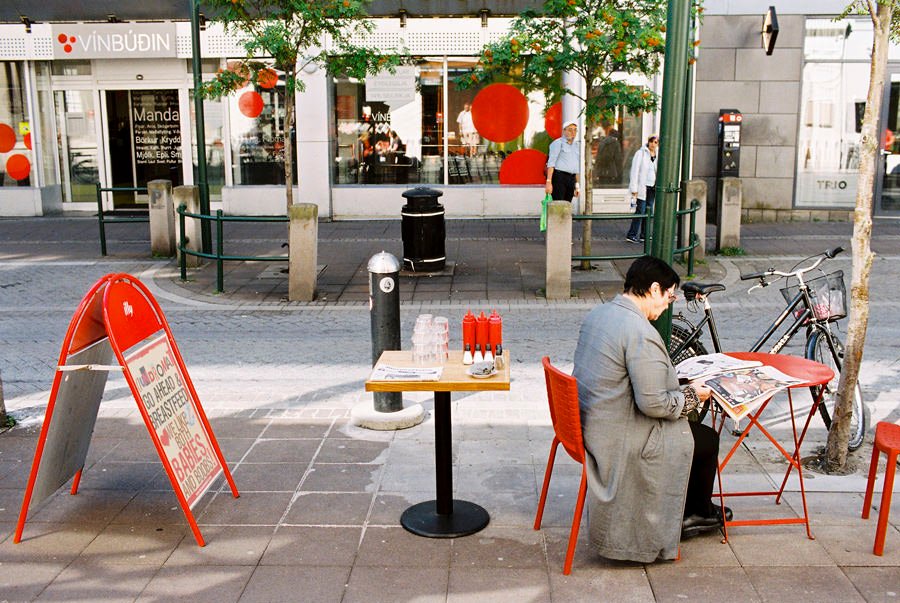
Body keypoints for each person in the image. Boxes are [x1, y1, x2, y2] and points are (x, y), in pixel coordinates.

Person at [573, 255, 730, 563]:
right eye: (669, 295)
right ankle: (692, 513)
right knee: (705, 439)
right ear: (654, 289)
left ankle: (691, 509)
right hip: (618, 436)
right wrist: (693, 395)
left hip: (592, 421)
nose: (669, 304)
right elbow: (654, 404)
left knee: (697, 434)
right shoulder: (640, 331)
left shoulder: (601, 313)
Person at [626, 135, 659, 243]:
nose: (653, 144)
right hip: (642, 187)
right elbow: (634, 171)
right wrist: (634, 188)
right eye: (652, 141)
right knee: (641, 210)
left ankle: (644, 234)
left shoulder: (658, 155)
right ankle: (631, 234)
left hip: (652, 187)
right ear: (648, 142)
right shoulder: (640, 153)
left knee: (649, 211)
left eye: (656, 142)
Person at [545, 120, 581, 202]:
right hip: (559, 178)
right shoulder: (557, 143)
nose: (573, 132)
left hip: (571, 179)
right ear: (564, 131)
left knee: (567, 206)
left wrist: (577, 186)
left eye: (575, 130)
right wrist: (548, 182)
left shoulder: (576, 146)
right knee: (558, 205)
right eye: (570, 129)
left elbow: (576, 167)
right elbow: (551, 163)